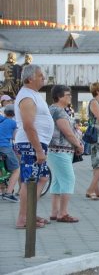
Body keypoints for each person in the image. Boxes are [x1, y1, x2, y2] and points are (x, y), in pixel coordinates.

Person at [14, 65, 54, 228]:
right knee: (29, 180)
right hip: (30, 144)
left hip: (38, 143)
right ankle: (23, 218)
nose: (43, 79)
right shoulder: (26, 97)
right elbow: (28, 125)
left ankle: (30, 212)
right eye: (40, 76)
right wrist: (38, 149)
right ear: (30, 79)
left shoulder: (33, 95)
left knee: (42, 177)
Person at [47, 85, 84, 223]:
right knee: (68, 179)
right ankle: (63, 213)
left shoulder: (52, 109)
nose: (70, 97)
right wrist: (78, 144)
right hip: (61, 149)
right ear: (59, 96)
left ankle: (55, 211)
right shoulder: (59, 111)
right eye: (68, 95)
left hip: (56, 149)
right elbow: (67, 132)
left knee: (58, 181)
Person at [0, 104, 20, 202]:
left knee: (2, 168)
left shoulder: (1, 119)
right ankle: (8, 193)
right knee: (16, 169)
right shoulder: (13, 123)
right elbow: (15, 137)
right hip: (4, 147)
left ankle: (2, 191)